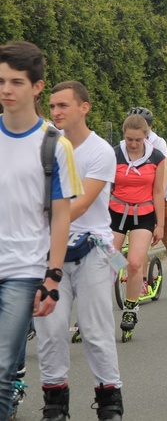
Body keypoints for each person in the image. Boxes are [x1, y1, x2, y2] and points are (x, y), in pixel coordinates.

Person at [0, 41, 82, 420]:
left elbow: (62, 216)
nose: (6, 90)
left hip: (23, 271)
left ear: (36, 87)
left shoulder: (54, 145)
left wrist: (52, 275)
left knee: (2, 369)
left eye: (16, 82)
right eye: (1, 81)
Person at [36, 81, 124, 419]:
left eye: (64, 106)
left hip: (92, 250)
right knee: (50, 331)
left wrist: (36, 222)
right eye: (53, 106)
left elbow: (83, 203)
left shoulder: (100, 151)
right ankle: (55, 403)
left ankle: (109, 401)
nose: (56, 112)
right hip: (47, 252)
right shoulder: (44, 147)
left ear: (83, 108)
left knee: (96, 331)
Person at [110, 114, 167, 341]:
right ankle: (94, 314)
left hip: (143, 215)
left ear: (146, 136)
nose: (133, 144)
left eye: (137, 140)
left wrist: (160, 224)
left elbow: (159, 192)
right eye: (128, 139)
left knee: (134, 263)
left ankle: (131, 309)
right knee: (109, 264)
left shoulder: (157, 157)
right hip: (116, 214)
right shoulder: (114, 154)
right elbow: (105, 186)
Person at [127, 106, 167, 300]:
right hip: (138, 200)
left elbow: (163, 173)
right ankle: (142, 280)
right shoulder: (126, 143)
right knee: (138, 240)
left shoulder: (158, 143)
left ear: (149, 126)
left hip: (162, 197)